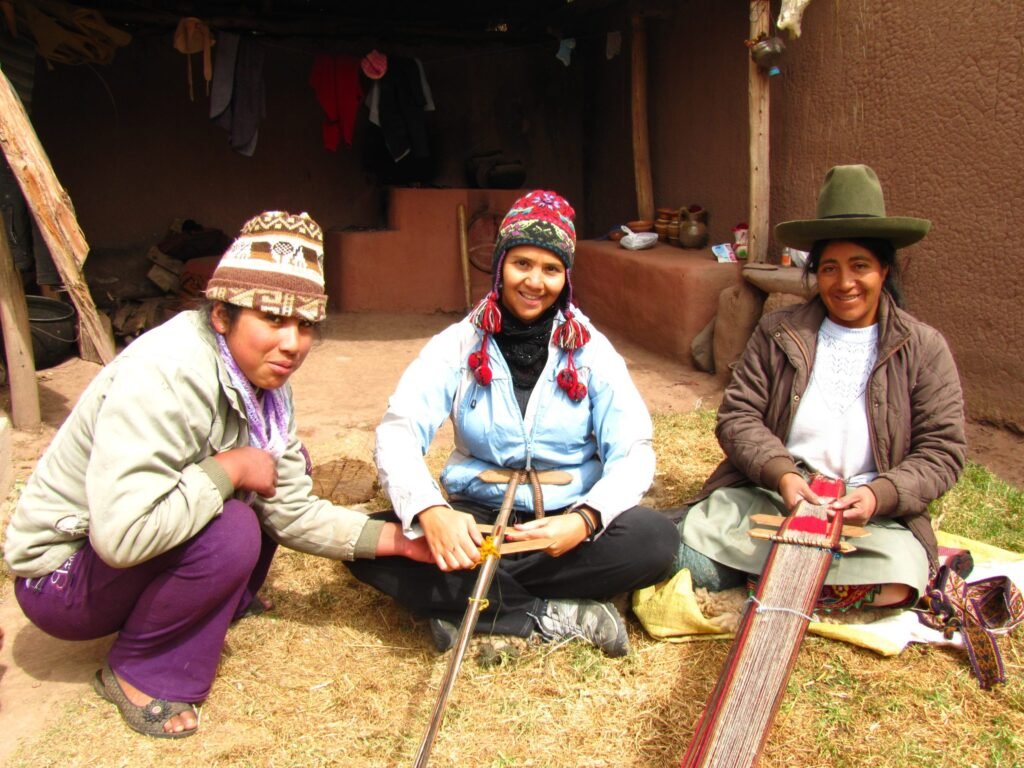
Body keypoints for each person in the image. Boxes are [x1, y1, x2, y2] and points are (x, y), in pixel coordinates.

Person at [3, 211, 430, 739]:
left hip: (119, 554)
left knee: (267, 473)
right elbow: (120, 538)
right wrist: (229, 468)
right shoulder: (164, 375)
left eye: (305, 325)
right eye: (272, 319)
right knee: (232, 526)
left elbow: (290, 510)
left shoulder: (265, 387)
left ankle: (217, 598)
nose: (293, 344)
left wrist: (400, 541)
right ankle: (139, 670)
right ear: (222, 316)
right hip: (62, 581)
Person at [346, 190, 679, 657]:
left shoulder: (590, 351)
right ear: (500, 264)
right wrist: (431, 513)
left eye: (551, 269)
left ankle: (471, 607)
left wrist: (584, 521)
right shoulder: (458, 345)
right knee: (367, 545)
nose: (534, 282)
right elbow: (399, 430)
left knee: (654, 540)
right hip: (477, 525)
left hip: (563, 524)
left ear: (567, 276)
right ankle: (548, 615)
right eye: (522, 263)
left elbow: (633, 449)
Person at [672, 165, 966, 611]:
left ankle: (767, 581)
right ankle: (809, 586)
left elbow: (941, 450)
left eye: (860, 266)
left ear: (885, 269)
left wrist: (876, 495)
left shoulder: (924, 348)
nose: (844, 283)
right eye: (830, 268)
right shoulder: (778, 333)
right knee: (690, 547)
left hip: (870, 517)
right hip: (773, 497)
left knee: (902, 576)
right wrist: (784, 475)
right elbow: (738, 416)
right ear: (815, 273)